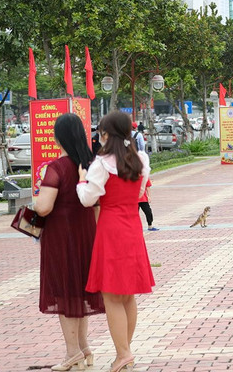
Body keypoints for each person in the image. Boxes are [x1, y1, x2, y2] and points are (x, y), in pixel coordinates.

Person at [77, 111, 154, 372]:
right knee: (128, 295)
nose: (100, 136)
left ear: (108, 134)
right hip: (132, 227)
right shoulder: (141, 159)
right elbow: (142, 191)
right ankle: (125, 351)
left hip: (110, 230)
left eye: (101, 131)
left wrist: (80, 181)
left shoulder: (100, 164)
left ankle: (123, 354)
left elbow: (88, 199)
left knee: (111, 297)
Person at [33, 113, 105, 371]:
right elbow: (96, 205)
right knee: (79, 292)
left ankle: (72, 352)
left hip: (62, 238)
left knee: (65, 294)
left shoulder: (56, 168)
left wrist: (33, 203)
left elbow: (43, 207)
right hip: (87, 234)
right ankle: (85, 348)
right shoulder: (92, 164)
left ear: (58, 137)